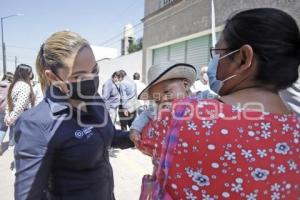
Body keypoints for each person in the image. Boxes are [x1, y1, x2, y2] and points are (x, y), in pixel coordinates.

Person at [133, 8, 300, 199]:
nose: (214, 62)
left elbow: (143, 141)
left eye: (217, 53)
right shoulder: (295, 131)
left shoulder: (181, 115)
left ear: (243, 58)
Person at [14, 31, 134, 200]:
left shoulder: (95, 100)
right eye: (78, 76)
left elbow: (108, 135)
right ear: (53, 77)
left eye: (94, 70)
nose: (91, 79)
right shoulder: (36, 124)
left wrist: (134, 137)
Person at [4, 64, 35, 148]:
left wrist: (8, 116)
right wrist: (12, 118)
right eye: (30, 71)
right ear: (25, 73)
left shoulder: (15, 84)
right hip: (21, 118)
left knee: (15, 143)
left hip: (15, 117)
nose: (32, 73)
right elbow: (20, 106)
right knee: (22, 145)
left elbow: (9, 102)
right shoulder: (24, 86)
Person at [0, 72, 14, 155]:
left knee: (1, 126)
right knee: (8, 127)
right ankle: (11, 144)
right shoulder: (11, 86)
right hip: (6, 109)